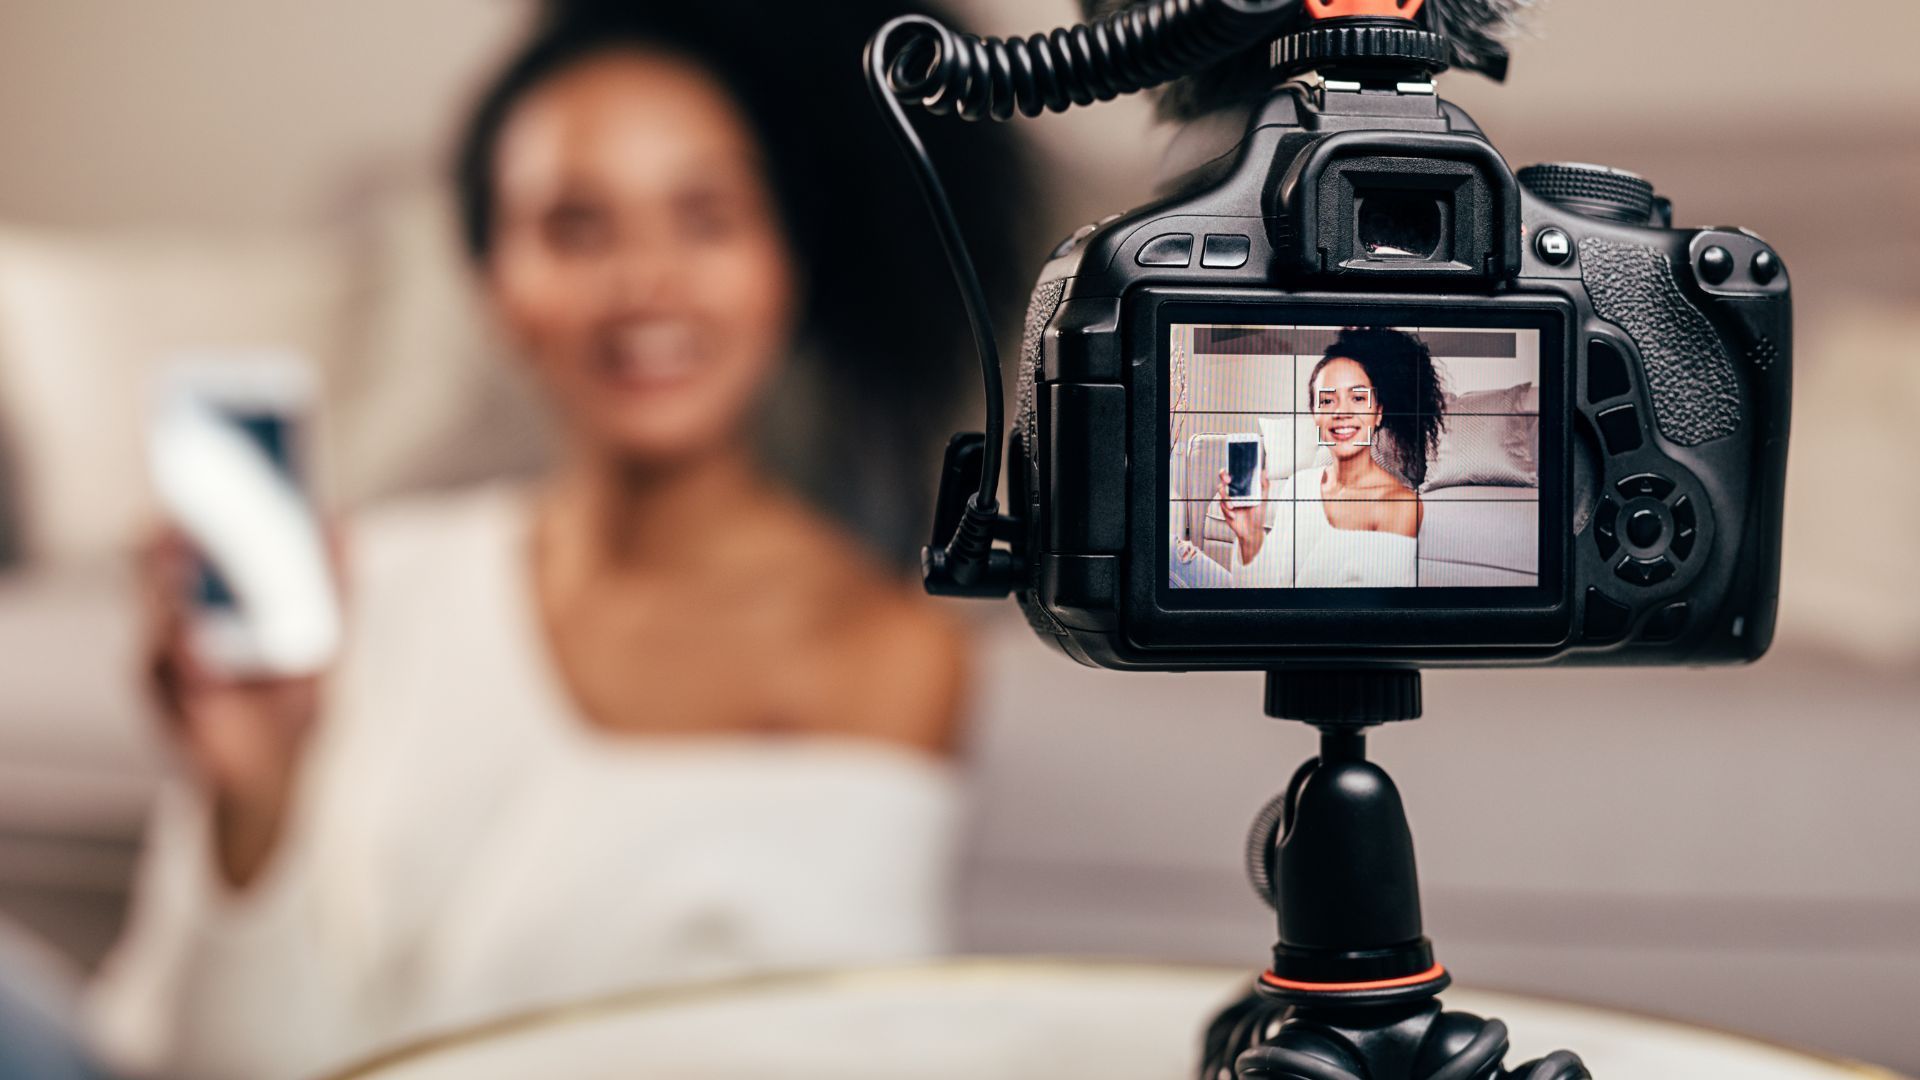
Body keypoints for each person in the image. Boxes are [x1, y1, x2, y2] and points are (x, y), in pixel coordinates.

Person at [86, 4, 1032, 1079]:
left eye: (706, 216)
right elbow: (180, 1057)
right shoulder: (367, 589)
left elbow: (845, 1045)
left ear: (785, 264)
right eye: (576, 226)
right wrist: (250, 803)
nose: (645, 280)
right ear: (492, 279)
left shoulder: (890, 653)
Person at [1220, 329, 1446, 588]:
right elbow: (1262, 598)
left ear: (1379, 413)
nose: (1341, 412)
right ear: (1315, 414)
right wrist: (1250, 537)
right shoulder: (1298, 485)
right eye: (1327, 400)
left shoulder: (1400, 505)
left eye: (1358, 398)